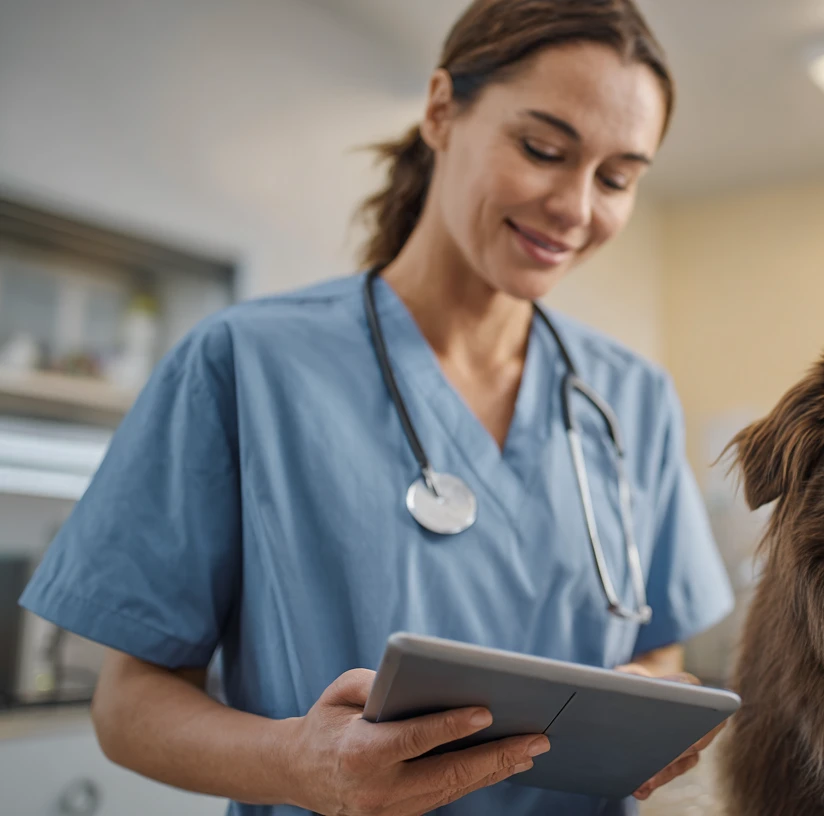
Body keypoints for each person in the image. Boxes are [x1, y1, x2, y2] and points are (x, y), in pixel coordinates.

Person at [17, 2, 734, 814]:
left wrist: (646, 705)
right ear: (440, 110)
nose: (575, 207)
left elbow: (656, 643)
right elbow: (126, 705)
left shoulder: (631, 399)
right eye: (542, 149)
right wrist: (298, 763)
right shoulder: (246, 365)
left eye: (616, 178)